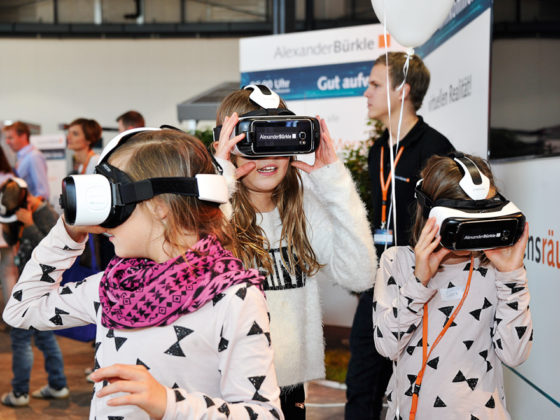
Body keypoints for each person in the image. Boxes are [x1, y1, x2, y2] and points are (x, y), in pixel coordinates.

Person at [3, 128, 283, 419]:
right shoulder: (114, 288)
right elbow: (21, 310)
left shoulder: (233, 297)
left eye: (116, 202)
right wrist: (68, 234)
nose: (105, 218)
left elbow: (264, 414)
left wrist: (169, 404)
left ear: (160, 207)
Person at [214, 86, 377, 419]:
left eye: (279, 142)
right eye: (255, 142)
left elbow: (361, 275)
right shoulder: (214, 211)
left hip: (289, 389)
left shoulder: (303, 207)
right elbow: (201, 271)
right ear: (229, 144)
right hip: (224, 389)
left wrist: (335, 183)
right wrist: (220, 184)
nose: (268, 158)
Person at [373, 153, 532, 419]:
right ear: (431, 212)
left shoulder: (497, 268)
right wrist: (418, 281)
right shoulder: (397, 262)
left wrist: (512, 276)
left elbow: (515, 355)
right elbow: (387, 346)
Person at [345, 52, 455, 420]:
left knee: (417, 389)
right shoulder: (378, 150)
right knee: (361, 387)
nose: (366, 92)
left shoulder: (436, 149)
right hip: (376, 284)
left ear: (402, 91)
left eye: (375, 84)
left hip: (421, 287)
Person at [0, 178, 69, 407]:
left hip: (39, 289)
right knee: (45, 338)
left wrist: (29, 223)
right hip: (29, 286)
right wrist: (10, 226)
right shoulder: (19, 210)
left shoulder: (45, 214)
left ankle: (20, 393)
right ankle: (58, 385)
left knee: (21, 340)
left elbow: (55, 253)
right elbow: (14, 240)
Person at [2, 121, 49, 200]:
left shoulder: (34, 156)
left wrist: (31, 205)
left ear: (23, 136)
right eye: (6, 138)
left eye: (10, 138)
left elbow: (43, 192)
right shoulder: (22, 157)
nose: (7, 142)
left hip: (32, 207)